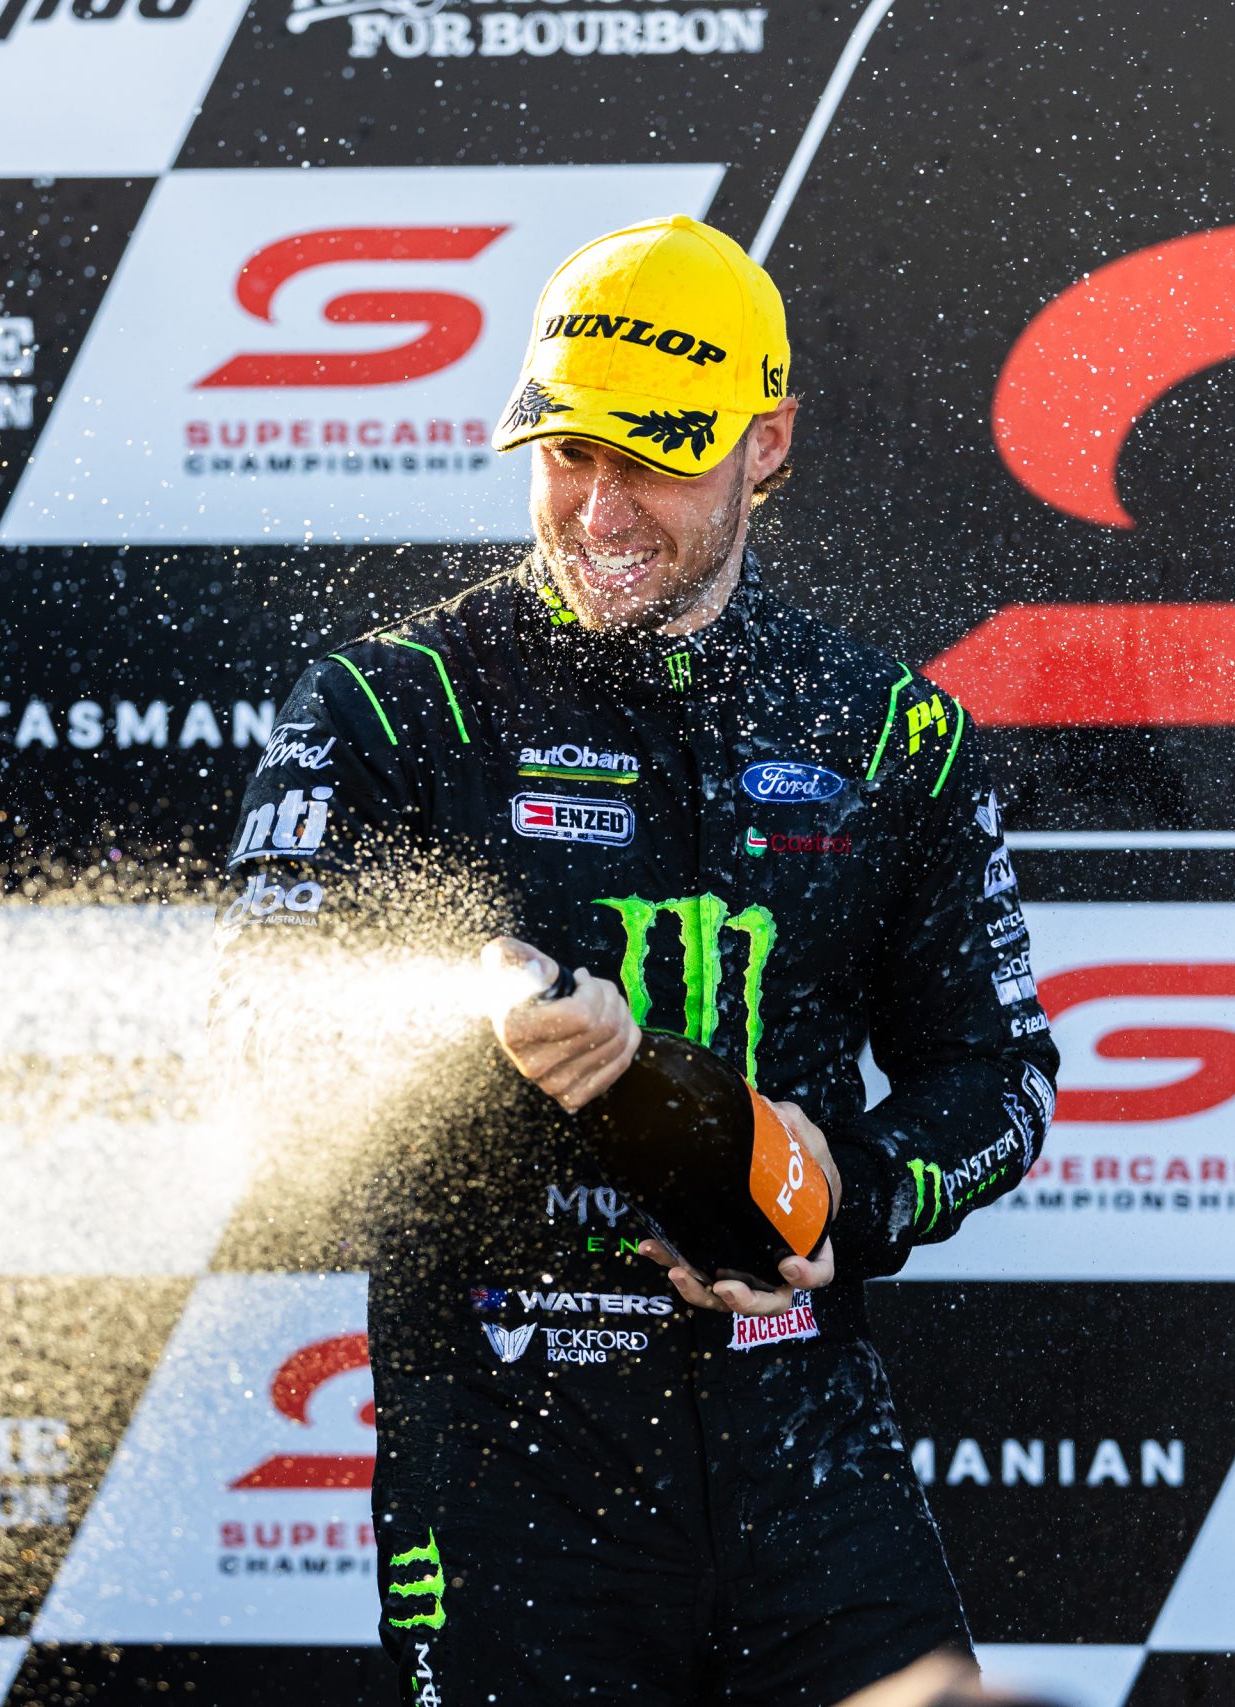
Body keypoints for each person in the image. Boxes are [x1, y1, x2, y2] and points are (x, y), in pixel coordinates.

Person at [216, 215, 1058, 1703]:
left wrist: (843, 1184)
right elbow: (248, 1049)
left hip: (813, 1462)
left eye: (653, 460)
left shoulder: (886, 731)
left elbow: (1002, 1080)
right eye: (565, 456)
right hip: (511, 1478)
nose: (600, 510)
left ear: (768, 442)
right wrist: (473, 1039)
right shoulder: (393, 709)